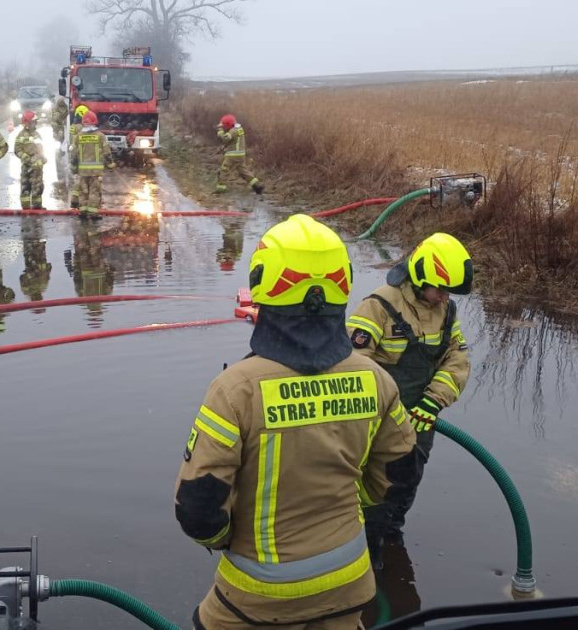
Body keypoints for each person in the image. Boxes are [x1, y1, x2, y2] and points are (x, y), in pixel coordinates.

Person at [176, 214, 415, 630]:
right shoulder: (377, 380)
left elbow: (198, 509)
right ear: (343, 286)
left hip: (259, 595)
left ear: (263, 286)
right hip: (349, 581)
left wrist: (230, 541)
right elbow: (398, 477)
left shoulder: (236, 390)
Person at [346, 232, 473, 566]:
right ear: (419, 278)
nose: (444, 297)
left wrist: (434, 401)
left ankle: (392, 533)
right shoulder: (379, 305)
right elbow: (352, 364)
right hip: (377, 420)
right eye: (440, 289)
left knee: (409, 477)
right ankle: (366, 553)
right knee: (374, 483)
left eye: (449, 292)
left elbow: (456, 359)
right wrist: (383, 409)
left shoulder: (445, 311)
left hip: (420, 416)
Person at [70, 110, 113, 219]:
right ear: (95, 122)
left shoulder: (78, 137)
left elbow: (74, 154)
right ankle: (93, 213)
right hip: (95, 171)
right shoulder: (100, 136)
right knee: (94, 192)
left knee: (83, 191)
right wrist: (111, 164)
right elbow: (107, 152)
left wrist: (74, 167)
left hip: (83, 171)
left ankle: (83, 212)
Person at [215, 114, 264, 195]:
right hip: (240, 155)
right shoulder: (238, 129)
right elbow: (232, 142)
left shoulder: (233, 131)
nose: (223, 127)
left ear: (228, 125)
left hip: (233, 155)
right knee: (243, 171)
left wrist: (220, 132)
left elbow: (226, 139)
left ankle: (221, 189)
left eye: (224, 126)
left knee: (224, 169)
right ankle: (257, 186)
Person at [15, 111, 46, 210]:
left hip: (37, 167)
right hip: (26, 166)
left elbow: (41, 148)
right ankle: (26, 208)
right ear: (27, 123)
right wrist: (27, 158)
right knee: (25, 186)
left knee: (38, 187)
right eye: (33, 122)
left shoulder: (37, 134)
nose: (35, 124)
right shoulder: (21, 136)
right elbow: (17, 150)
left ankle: (37, 207)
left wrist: (42, 158)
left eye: (35, 122)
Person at [67, 105, 90, 209]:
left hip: (74, 154)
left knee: (78, 177)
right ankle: (77, 201)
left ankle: (75, 200)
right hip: (80, 155)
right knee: (82, 178)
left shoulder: (73, 127)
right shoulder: (82, 128)